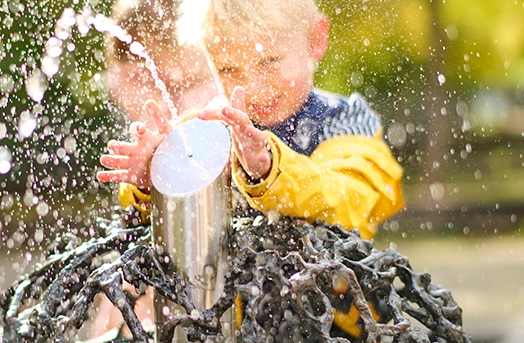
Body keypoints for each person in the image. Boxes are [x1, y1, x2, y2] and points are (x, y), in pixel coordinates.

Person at [97, 0, 406, 339]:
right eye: (228, 69)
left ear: (315, 39)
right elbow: (155, 233)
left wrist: (269, 170)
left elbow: (348, 200)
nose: (253, 86)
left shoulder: (345, 124)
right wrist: (155, 181)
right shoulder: (208, 128)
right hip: (231, 327)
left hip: (332, 325)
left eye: (270, 60)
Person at [87, 0, 227, 340]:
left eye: (186, 83)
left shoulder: (212, 122)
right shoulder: (143, 129)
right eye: (142, 78)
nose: (165, 94)